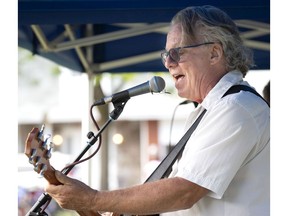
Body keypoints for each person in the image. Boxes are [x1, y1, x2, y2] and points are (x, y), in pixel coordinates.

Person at [45, 5, 270, 216]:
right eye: (166, 55)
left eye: (177, 52)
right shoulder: (217, 108)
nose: (168, 63)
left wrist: (93, 199)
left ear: (214, 53)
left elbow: (184, 191)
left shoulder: (236, 109)